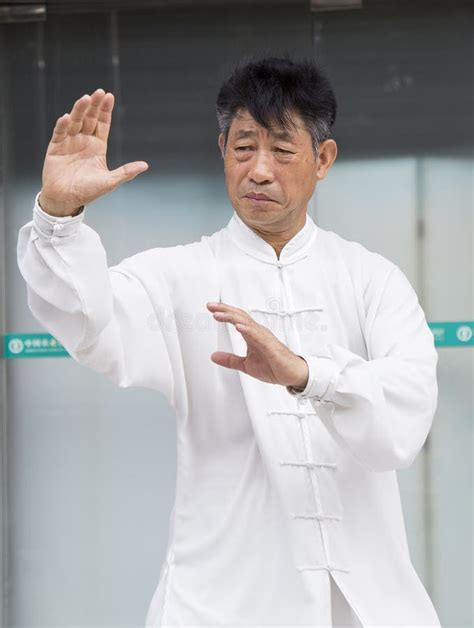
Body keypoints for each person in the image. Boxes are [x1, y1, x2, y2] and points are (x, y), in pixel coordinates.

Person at [16, 56, 441, 627]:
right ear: (222, 152)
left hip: (369, 606)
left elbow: (407, 410)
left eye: (283, 150)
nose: (259, 170)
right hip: (222, 603)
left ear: (323, 159)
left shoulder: (372, 279)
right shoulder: (179, 277)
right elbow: (87, 320)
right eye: (243, 148)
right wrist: (60, 216)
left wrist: (307, 373)